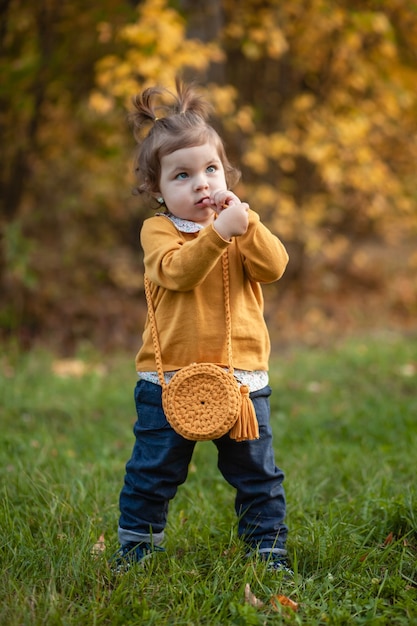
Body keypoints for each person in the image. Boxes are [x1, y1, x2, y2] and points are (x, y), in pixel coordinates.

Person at [112, 79, 291, 574]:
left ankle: (268, 552)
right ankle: (138, 550)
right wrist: (217, 235)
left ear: (226, 172)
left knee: (257, 475)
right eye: (182, 175)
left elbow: (275, 267)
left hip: (240, 379)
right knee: (154, 471)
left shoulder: (239, 222)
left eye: (211, 169)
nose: (201, 185)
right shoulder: (159, 230)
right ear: (157, 188)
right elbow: (177, 273)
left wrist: (247, 225)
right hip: (170, 378)